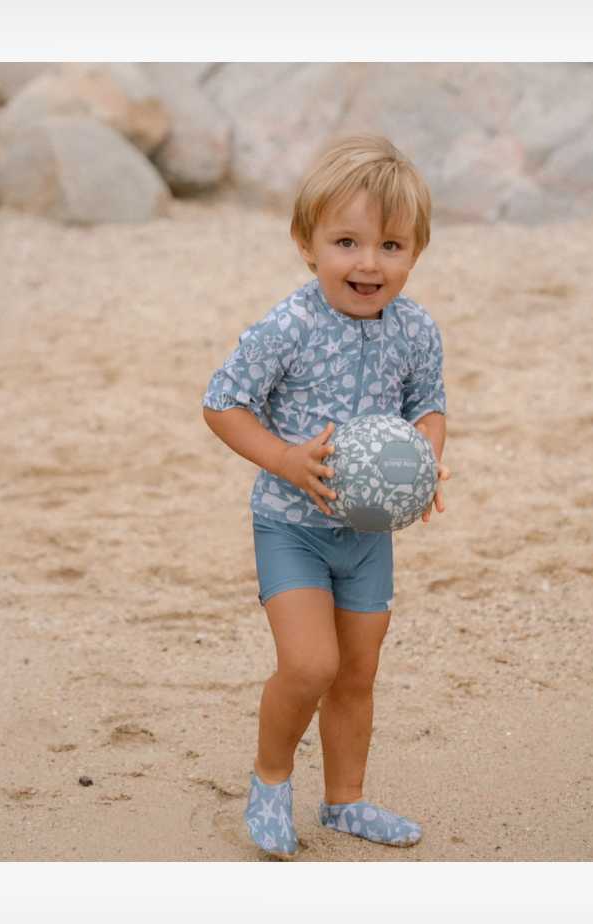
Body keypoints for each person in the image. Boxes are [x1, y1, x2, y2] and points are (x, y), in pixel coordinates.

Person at [202, 134, 450, 858]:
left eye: (391, 246)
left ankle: (345, 801)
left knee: (357, 672)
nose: (369, 263)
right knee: (311, 665)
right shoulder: (289, 326)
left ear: (416, 252)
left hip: (368, 536)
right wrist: (284, 459)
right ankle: (270, 780)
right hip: (292, 528)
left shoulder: (416, 330)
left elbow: (429, 406)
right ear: (306, 244)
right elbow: (222, 403)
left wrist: (426, 461)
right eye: (347, 242)